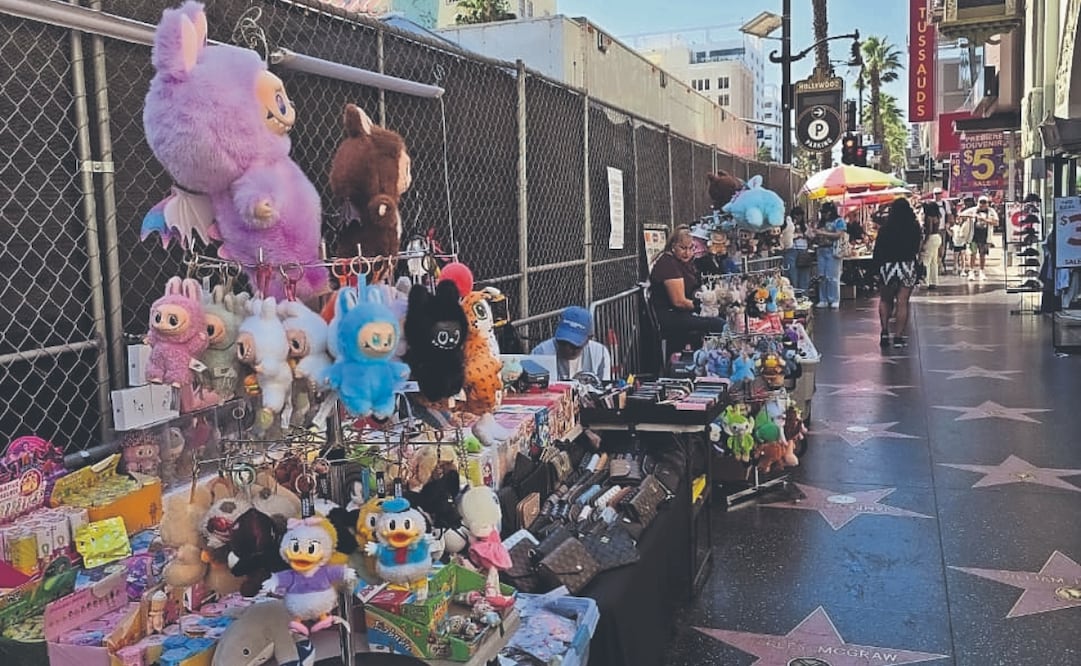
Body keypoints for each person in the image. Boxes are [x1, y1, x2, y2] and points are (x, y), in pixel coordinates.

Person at [649, 225, 727, 348]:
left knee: (723, 316)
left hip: (683, 313)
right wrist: (703, 307)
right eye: (683, 248)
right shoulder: (668, 264)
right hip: (671, 316)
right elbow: (679, 301)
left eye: (691, 248)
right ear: (673, 246)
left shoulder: (683, 262)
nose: (688, 253)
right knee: (719, 324)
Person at [873, 198, 922, 348]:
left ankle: (884, 332)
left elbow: (878, 250)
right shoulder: (914, 227)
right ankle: (899, 337)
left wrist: (876, 270)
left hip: (888, 266)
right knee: (902, 302)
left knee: (885, 300)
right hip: (907, 265)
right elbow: (917, 248)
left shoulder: (885, 228)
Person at [531, 306, 612, 381]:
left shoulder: (600, 354)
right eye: (562, 342)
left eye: (574, 346)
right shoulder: (541, 353)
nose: (567, 349)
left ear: (588, 339)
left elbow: (605, 390)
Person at [807, 201, 847, 309]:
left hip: (833, 250)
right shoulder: (821, 223)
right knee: (822, 276)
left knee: (832, 277)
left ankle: (834, 299)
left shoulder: (839, 221)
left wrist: (822, 233)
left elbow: (839, 234)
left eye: (825, 212)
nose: (824, 215)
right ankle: (823, 299)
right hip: (821, 250)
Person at [961, 195, 999, 281]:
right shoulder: (974, 210)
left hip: (985, 237)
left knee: (983, 254)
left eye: (984, 203)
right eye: (981, 202)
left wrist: (985, 220)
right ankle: (971, 271)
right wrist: (970, 216)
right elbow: (961, 214)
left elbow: (996, 222)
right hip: (973, 236)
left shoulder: (991, 211)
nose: (982, 205)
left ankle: (982, 271)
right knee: (973, 253)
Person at [920, 198, 944, 290]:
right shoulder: (937, 216)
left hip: (931, 238)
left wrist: (924, 242)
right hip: (937, 237)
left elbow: (929, 231)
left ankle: (926, 281)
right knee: (934, 261)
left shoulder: (928, 217)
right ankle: (934, 281)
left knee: (926, 260)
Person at [787, 207, 813, 291]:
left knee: (804, 276)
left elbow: (811, 236)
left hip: (803, 250)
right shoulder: (788, 225)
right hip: (791, 249)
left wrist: (805, 234)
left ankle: (804, 295)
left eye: (800, 215)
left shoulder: (805, 226)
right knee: (792, 275)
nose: (798, 217)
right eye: (796, 215)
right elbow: (786, 237)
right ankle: (794, 294)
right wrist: (796, 235)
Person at [948, 207, 973, 279]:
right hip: (956, 243)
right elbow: (951, 234)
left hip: (962, 243)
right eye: (957, 219)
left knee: (963, 257)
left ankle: (963, 270)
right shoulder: (954, 227)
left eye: (960, 219)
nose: (958, 220)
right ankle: (955, 268)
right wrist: (947, 229)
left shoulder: (964, 226)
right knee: (955, 257)